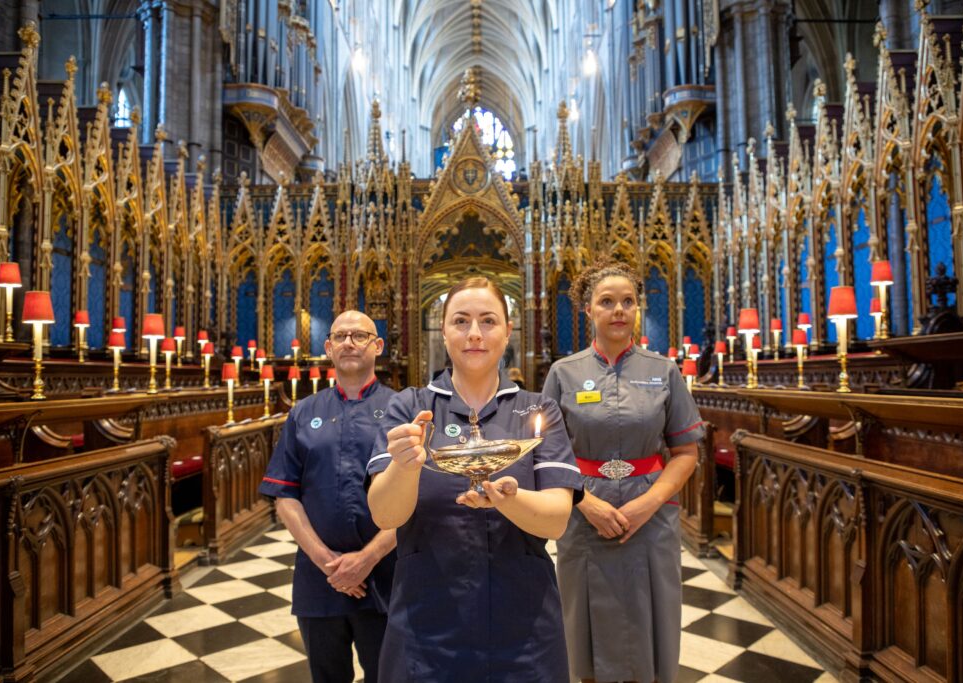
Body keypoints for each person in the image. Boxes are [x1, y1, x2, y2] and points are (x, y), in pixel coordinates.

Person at [366, 277, 583, 682]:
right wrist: (405, 464)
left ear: (508, 331)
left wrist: (506, 499)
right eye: (461, 321)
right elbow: (384, 515)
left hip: (524, 631)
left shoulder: (538, 410)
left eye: (488, 321)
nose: (475, 334)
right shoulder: (409, 407)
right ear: (444, 331)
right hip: (426, 630)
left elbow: (555, 521)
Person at [542, 259, 703, 683]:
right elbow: (548, 456)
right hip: (584, 517)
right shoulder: (563, 373)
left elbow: (686, 451)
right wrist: (587, 503)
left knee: (652, 616)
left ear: (637, 308)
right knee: (584, 626)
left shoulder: (663, 371)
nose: (618, 310)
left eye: (627, 301)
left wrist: (646, 505)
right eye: (607, 302)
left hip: (651, 517)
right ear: (588, 310)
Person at [259, 311, 397, 683]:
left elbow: (417, 499)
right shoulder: (304, 412)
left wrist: (367, 558)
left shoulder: (404, 409)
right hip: (319, 580)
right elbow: (285, 495)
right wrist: (330, 565)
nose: (349, 342)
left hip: (387, 576)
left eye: (359, 335)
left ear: (377, 346)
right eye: (340, 336)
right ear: (328, 347)